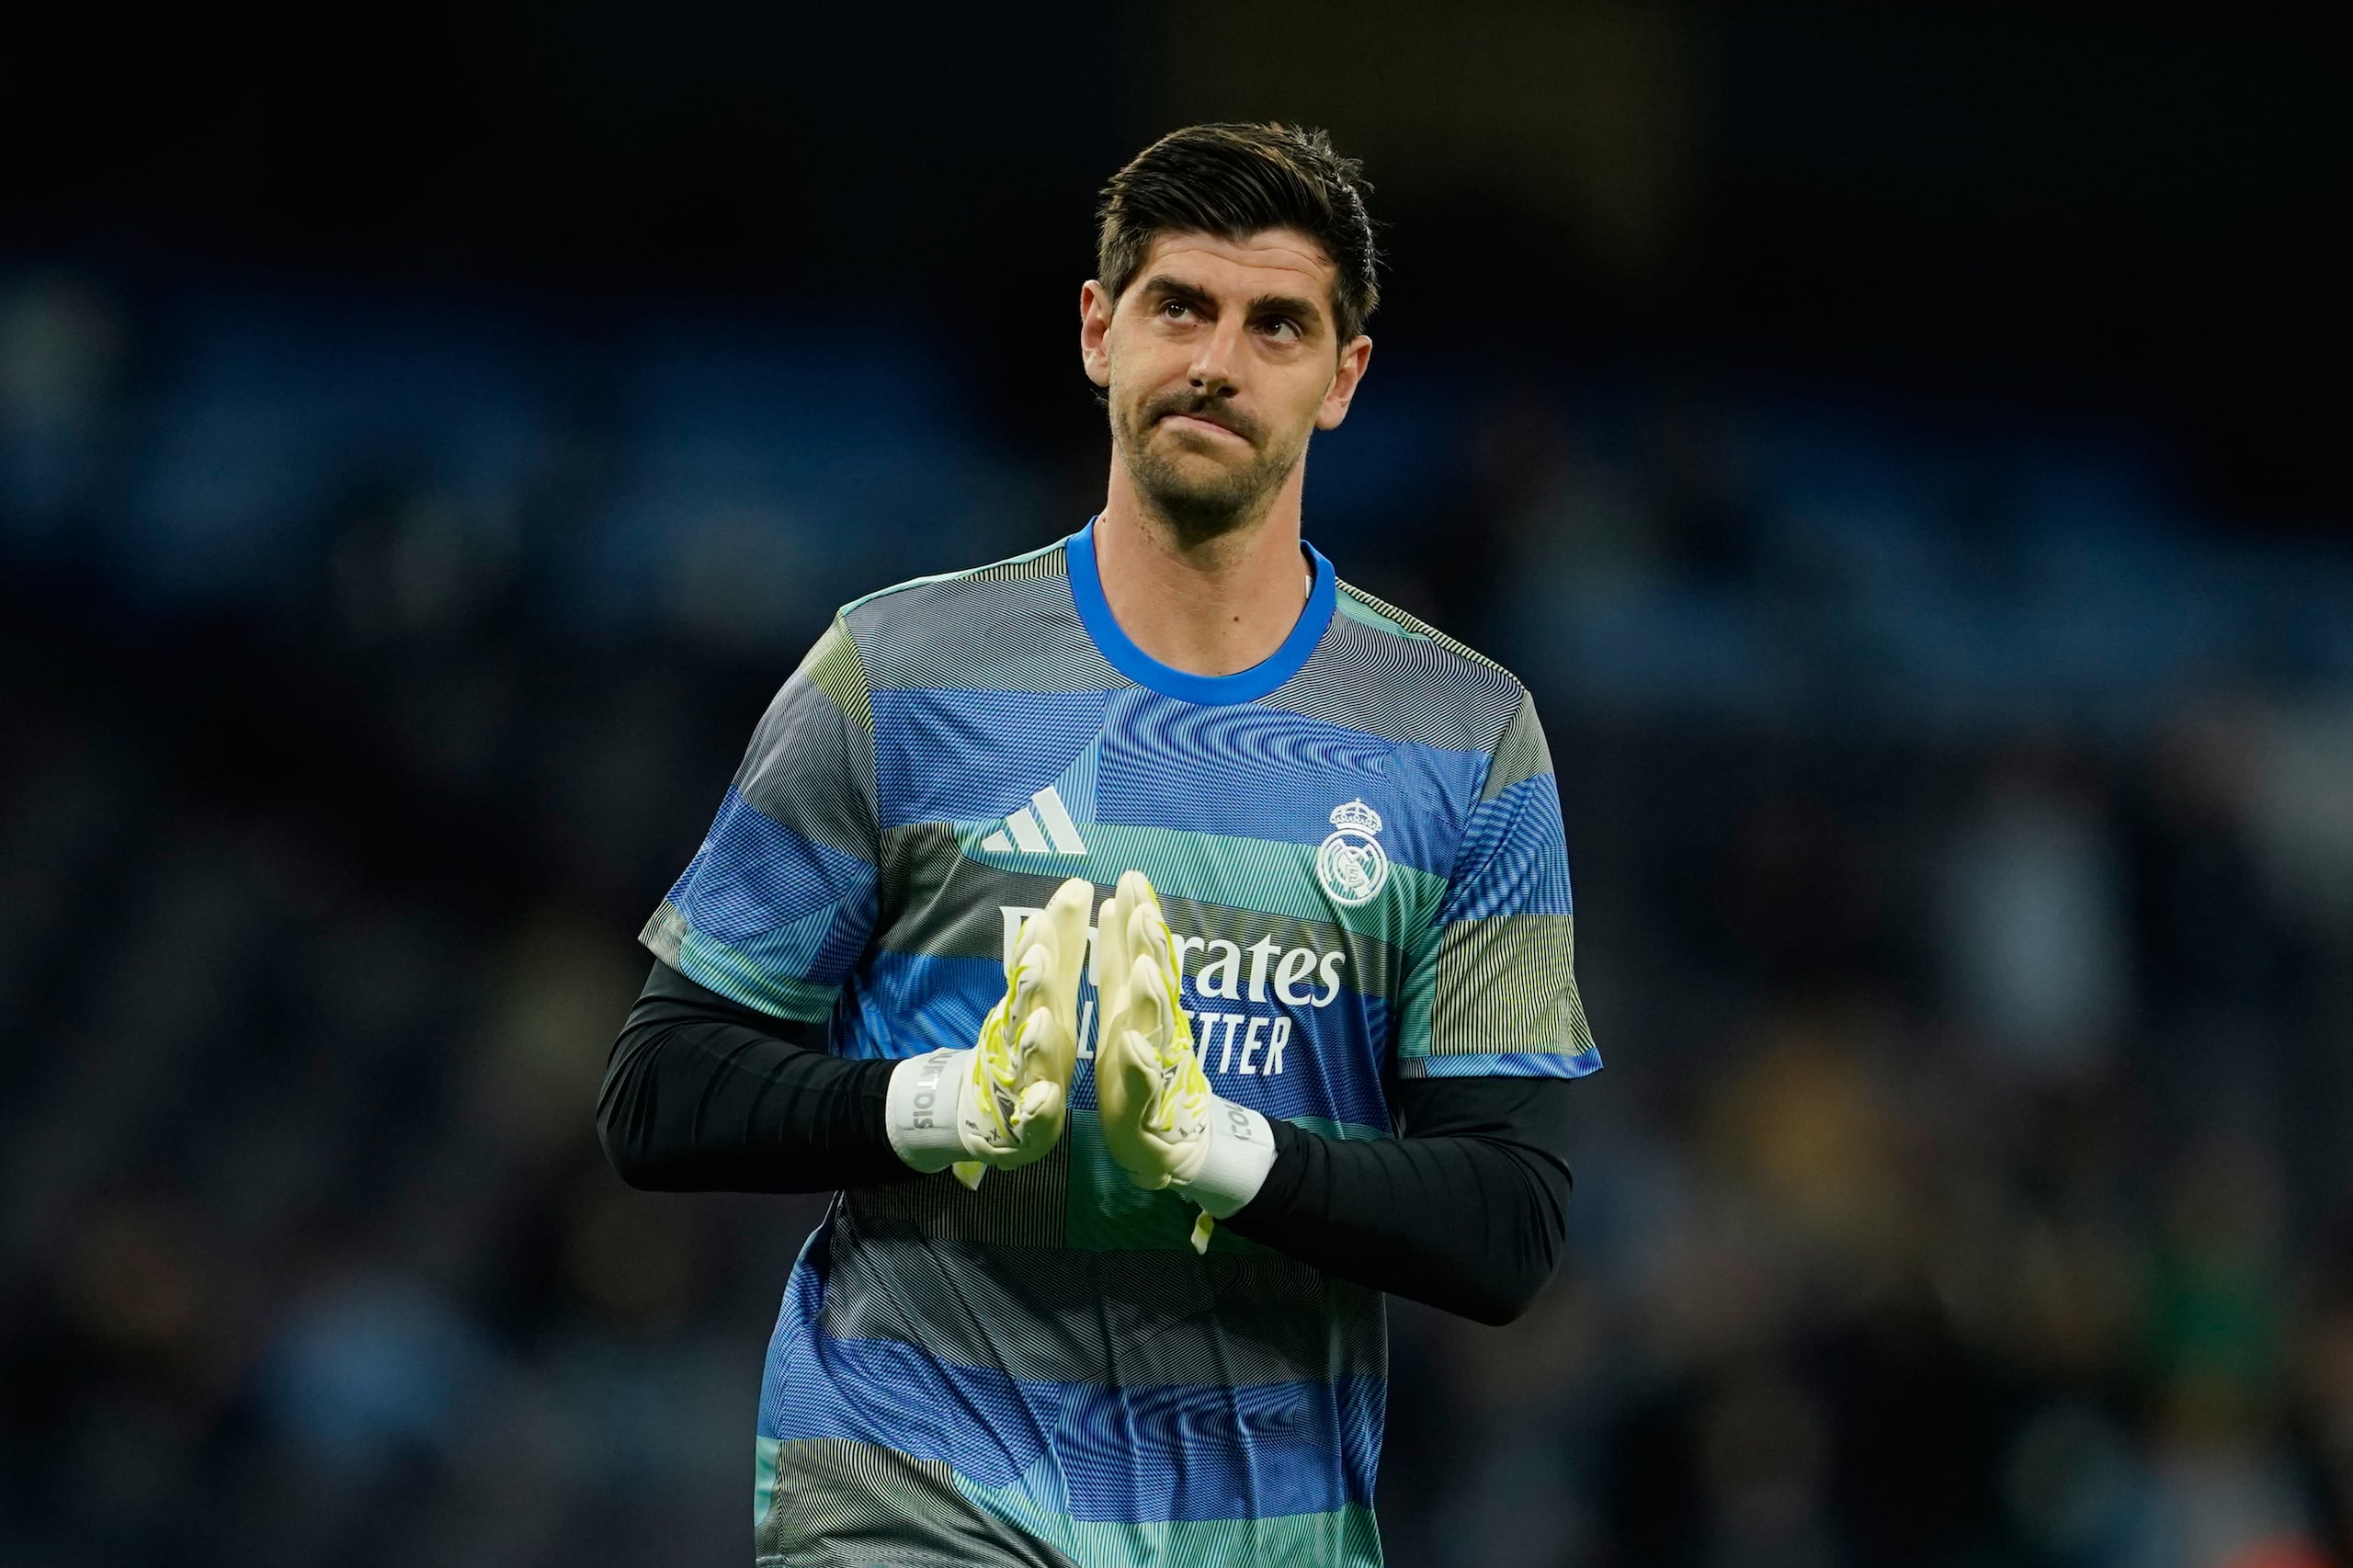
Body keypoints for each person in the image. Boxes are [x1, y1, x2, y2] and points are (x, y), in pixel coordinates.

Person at [598, 121, 1601, 1568]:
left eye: (1277, 325)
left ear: (1343, 379)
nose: (1217, 359)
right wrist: (940, 1103)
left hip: (1259, 1526)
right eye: (1178, 305)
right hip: (908, 1486)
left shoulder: (1466, 736)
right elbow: (658, 1089)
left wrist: (1223, 1150)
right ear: (1096, 330)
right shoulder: (893, 672)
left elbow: (1508, 1222)